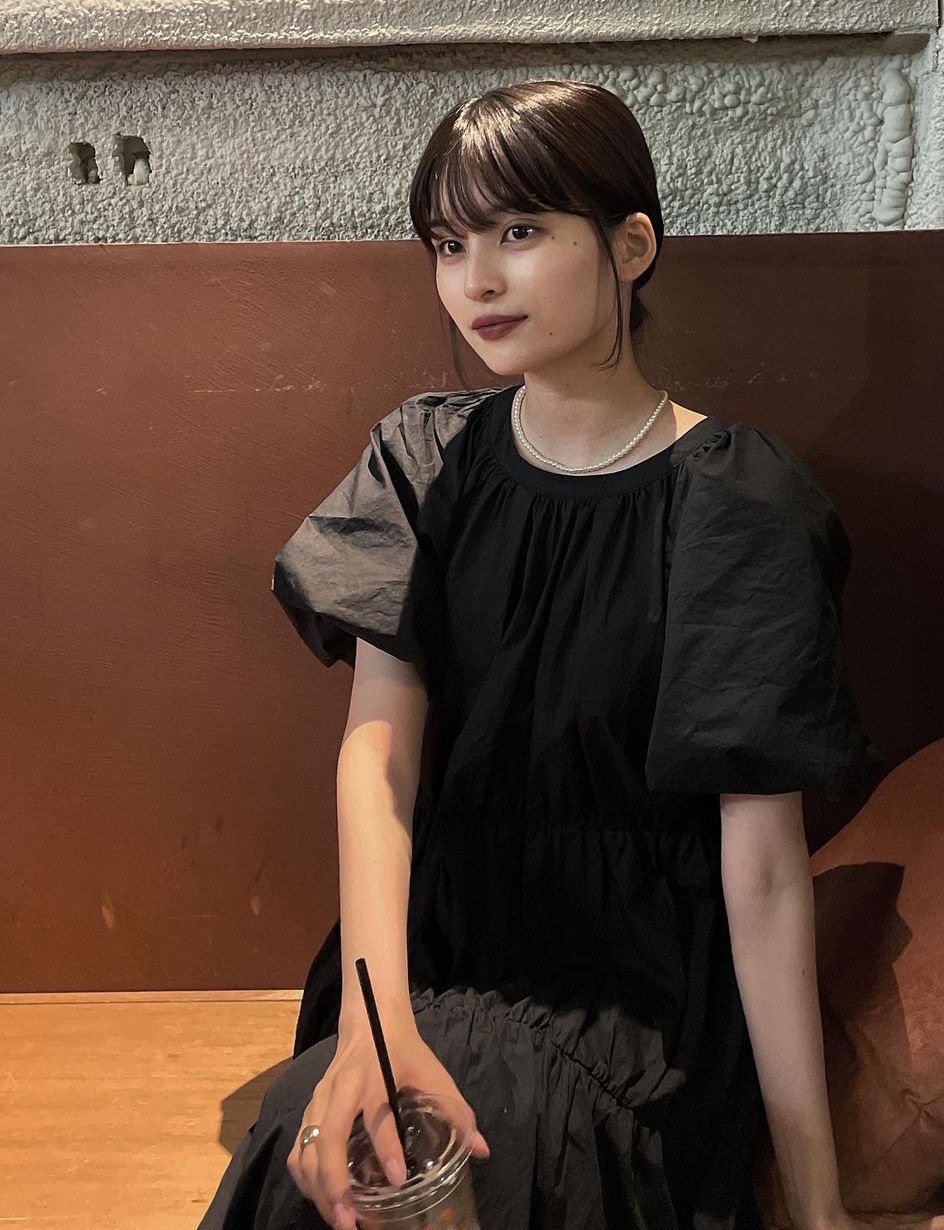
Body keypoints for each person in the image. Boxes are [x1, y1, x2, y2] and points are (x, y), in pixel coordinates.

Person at [197, 78, 887, 1230]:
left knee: (487, 1158)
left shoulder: (737, 500)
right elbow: (379, 761)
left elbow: (763, 865)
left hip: (634, 991)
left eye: (518, 231)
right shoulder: (422, 460)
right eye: (448, 243)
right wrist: (372, 1021)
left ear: (631, 246)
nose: (475, 280)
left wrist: (819, 1205)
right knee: (316, 1166)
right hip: (423, 952)